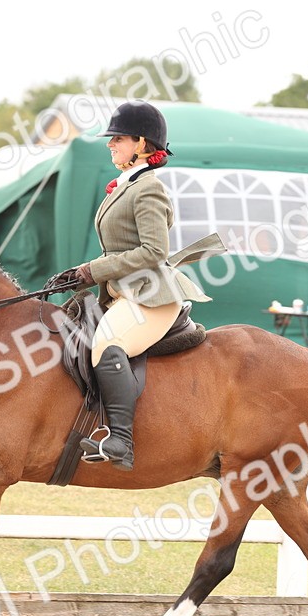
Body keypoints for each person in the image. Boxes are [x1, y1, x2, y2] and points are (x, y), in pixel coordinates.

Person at [52, 100, 211, 471]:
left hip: (151, 295)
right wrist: (82, 270)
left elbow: (154, 251)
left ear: (141, 144)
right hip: (123, 293)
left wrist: (93, 270)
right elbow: (120, 248)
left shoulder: (148, 188)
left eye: (118, 139)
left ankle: (121, 440)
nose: (110, 144)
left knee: (107, 346)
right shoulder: (124, 186)